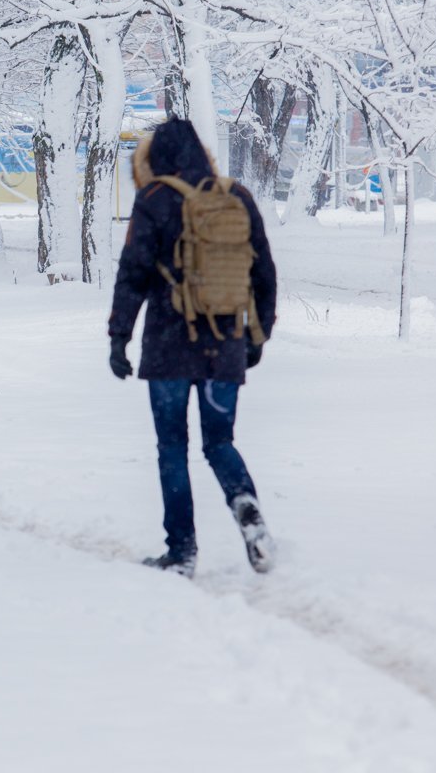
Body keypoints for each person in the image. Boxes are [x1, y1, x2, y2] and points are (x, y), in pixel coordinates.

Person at [108, 117, 278, 578]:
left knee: (172, 447)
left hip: (168, 349)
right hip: (224, 346)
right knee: (219, 442)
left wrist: (118, 337)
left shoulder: (155, 199)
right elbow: (264, 273)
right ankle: (248, 508)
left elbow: (134, 275)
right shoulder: (236, 196)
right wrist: (257, 336)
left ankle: (181, 552)